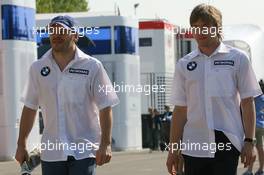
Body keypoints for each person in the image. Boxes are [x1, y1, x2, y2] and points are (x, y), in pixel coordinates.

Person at [15, 15, 119, 175]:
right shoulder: (37, 68)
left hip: (84, 151)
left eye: (61, 30)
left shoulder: (93, 67)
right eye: (52, 31)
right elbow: (30, 107)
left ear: (75, 35)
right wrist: (21, 144)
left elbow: (105, 107)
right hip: (52, 153)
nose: (56, 35)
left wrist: (105, 144)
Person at [166, 4, 262, 175]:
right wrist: (173, 149)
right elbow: (180, 110)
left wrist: (249, 141)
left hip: (227, 140)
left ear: (217, 28)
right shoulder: (184, 64)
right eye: (195, 27)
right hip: (194, 143)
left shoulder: (238, 59)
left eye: (205, 27)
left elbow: (247, 102)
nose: (199, 32)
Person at [243, 81, 264, 175]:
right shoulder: (263, 97)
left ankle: (250, 170)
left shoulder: (253, 97)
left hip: (254, 126)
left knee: (252, 147)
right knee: (260, 148)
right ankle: (261, 169)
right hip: (262, 125)